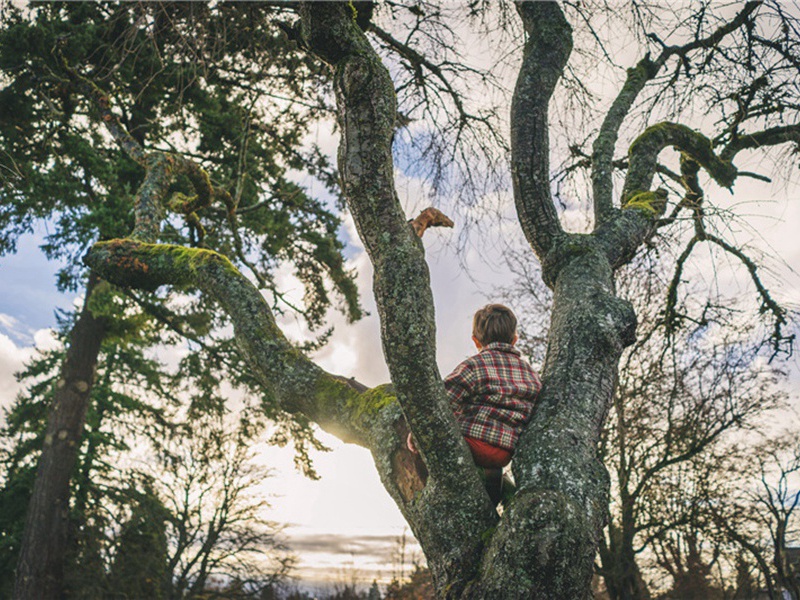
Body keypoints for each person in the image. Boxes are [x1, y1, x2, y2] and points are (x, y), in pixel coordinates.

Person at [409, 304, 542, 504]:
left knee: (419, 444)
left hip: (475, 443)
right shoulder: (530, 374)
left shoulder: (475, 365)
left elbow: (442, 401)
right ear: (514, 340)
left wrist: (416, 432)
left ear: (475, 340)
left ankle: (430, 494)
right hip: (505, 451)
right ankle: (495, 487)